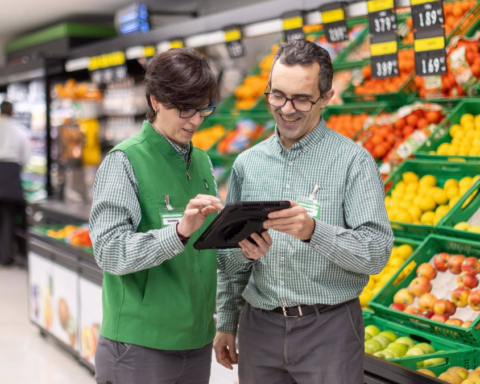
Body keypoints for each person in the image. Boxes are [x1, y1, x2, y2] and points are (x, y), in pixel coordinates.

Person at [214, 39, 394, 384]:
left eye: (301, 98)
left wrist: (314, 231)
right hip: (259, 327)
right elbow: (227, 259)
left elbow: (375, 252)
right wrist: (227, 319)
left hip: (328, 329)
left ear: (326, 97)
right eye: (278, 95)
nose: (286, 108)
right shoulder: (247, 165)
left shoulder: (353, 162)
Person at [90, 48, 224, 384]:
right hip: (139, 347)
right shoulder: (125, 162)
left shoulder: (204, 163)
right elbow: (108, 251)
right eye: (185, 109)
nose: (195, 120)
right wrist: (178, 232)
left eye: (204, 108)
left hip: (196, 340)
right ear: (155, 101)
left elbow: (208, 249)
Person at [0, 101, 30, 266]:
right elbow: (26, 157)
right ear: (13, 112)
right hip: (11, 176)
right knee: (9, 218)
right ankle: (6, 257)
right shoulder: (19, 131)